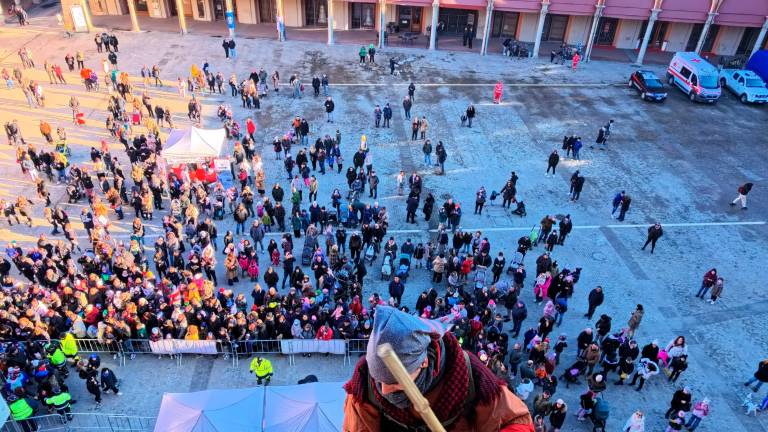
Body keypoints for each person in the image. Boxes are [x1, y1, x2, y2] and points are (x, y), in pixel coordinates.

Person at [342, 306, 534, 431]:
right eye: (379, 380)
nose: (384, 390)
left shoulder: (471, 378)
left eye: (396, 381)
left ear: (424, 362)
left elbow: (517, 421)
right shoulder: (365, 384)